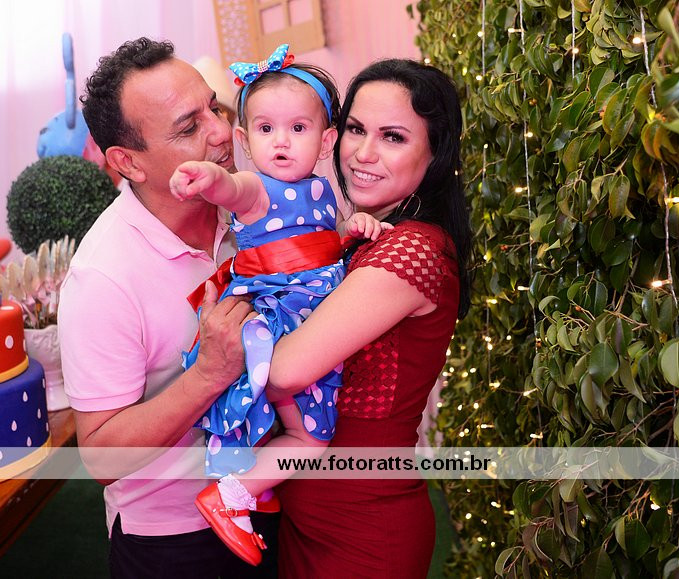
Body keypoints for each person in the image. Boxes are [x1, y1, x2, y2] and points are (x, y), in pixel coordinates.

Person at [57, 37, 278, 578]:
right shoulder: (102, 277)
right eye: (188, 127)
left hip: (273, 493)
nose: (222, 132)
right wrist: (208, 374)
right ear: (127, 162)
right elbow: (101, 456)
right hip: (176, 538)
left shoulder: (250, 202)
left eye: (214, 108)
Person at [168, 44, 389, 566]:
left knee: (295, 426)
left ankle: (253, 485)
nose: (281, 142)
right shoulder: (258, 189)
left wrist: (355, 226)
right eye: (266, 129)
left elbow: (327, 237)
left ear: (326, 140)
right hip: (281, 323)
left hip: (312, 321)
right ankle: (231, 495)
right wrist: (208, 179)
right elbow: (232, 188)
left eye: (298, 128)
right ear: (244, 140)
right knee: (311, 437)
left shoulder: (322, 190)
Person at [265, 58, 473, 577]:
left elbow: (283, 371)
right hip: (312, 516)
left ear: (436, 154)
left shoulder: (411, 249)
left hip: (362, 528)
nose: (363, 153)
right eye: (356, 129)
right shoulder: (368, 234)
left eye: (393, 137)